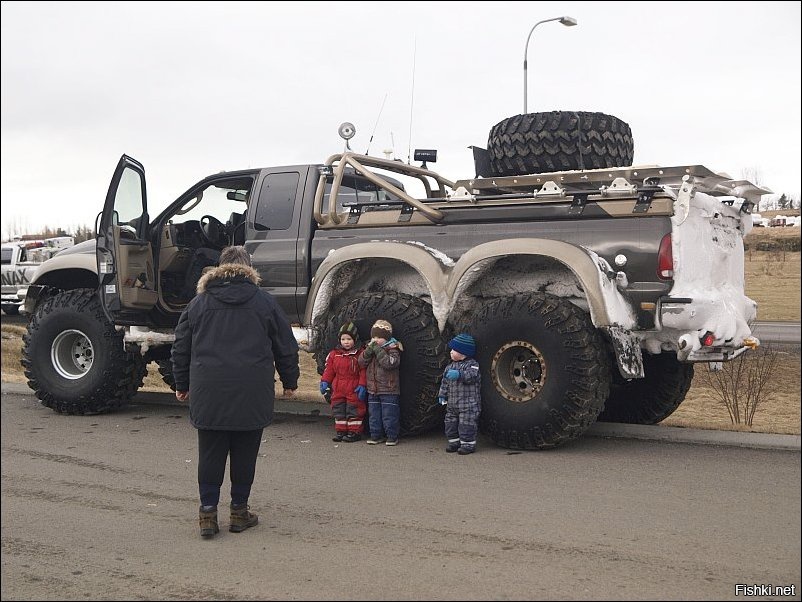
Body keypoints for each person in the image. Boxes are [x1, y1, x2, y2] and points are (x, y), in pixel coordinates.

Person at [171, 245, 299, 538]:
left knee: (210, 453)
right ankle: (239, 512)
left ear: (219, 268)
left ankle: (207, 514)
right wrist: (290, 381)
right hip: (252, 391)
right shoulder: (264, 302)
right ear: (249, 268)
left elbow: (181, 346)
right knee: (245, 453)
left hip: (209, 390)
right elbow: (285, 344)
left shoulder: (198, 304)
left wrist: (181, 384)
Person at [320, 322, 368, 442]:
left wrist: (362, 384)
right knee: (338, 408)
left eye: (349, 339)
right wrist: (325, 381)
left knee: (354, 409)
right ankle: (341, 430)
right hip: (339, 386)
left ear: (355, 339)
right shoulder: (334, 354)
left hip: (353, 386)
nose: (346, 342)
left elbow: (363, 370)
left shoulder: (359, 354)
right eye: (343, 339)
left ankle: (354, 432)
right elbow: (329, 369)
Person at [358, 319, 403, 446]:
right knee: (374, 415)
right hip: (372, 389)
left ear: (387, 338)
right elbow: (360, 363)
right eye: (374, 337)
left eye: (379, 337)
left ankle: (392, 436)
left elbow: (389, 364)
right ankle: (376, 436)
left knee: (389, 415)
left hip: (389, 389)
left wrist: (378, 350)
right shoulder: (370, 348)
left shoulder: (393, 349)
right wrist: (368, 351)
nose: (376, 340)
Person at [438, 333, 481, 455]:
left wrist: (460, 375)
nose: (451, 352)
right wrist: (442, 395)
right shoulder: (449, 367)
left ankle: (468, 444)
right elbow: (445, 382)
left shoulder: (472, 364)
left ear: (463, 352)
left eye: (454, 350)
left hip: (468, 404)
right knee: (450, 423)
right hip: (452, 404)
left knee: (466, 424)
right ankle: (454, 442)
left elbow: (472, 376)